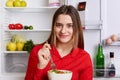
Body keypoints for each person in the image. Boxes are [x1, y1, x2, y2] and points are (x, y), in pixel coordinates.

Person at [25, 5, 93, 80]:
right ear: (53, 27)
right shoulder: (38, 52)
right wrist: (40, 66)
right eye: (59, 25)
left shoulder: (84, 58)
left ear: (76, 28)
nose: (63, 31)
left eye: (69, 26)